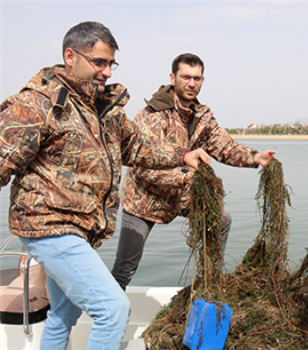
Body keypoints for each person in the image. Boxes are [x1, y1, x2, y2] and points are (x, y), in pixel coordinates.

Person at [0, 22, 209, 350]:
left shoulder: (105, 109)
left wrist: (184, 154)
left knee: (62, 316)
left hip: (80, 230)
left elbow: (138, 147)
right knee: (112, 309)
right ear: (71, 56)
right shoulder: (37, 104)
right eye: (99, 62)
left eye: (111, 63)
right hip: (48, 227)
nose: (107, 72)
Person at [111, 53, 275, 290]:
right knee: (125, 268)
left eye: (196, 78)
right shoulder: (152, 115)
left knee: (221, 220)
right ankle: (108, 316)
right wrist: (188, 177)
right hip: (143, 201)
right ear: (172, 77)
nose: (191, 83)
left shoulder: (202, 116)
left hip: (181, 198)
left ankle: (208, 284)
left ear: (202, 81)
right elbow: (143, 168)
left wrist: (255, 157)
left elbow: (224, 146)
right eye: (185, 77)